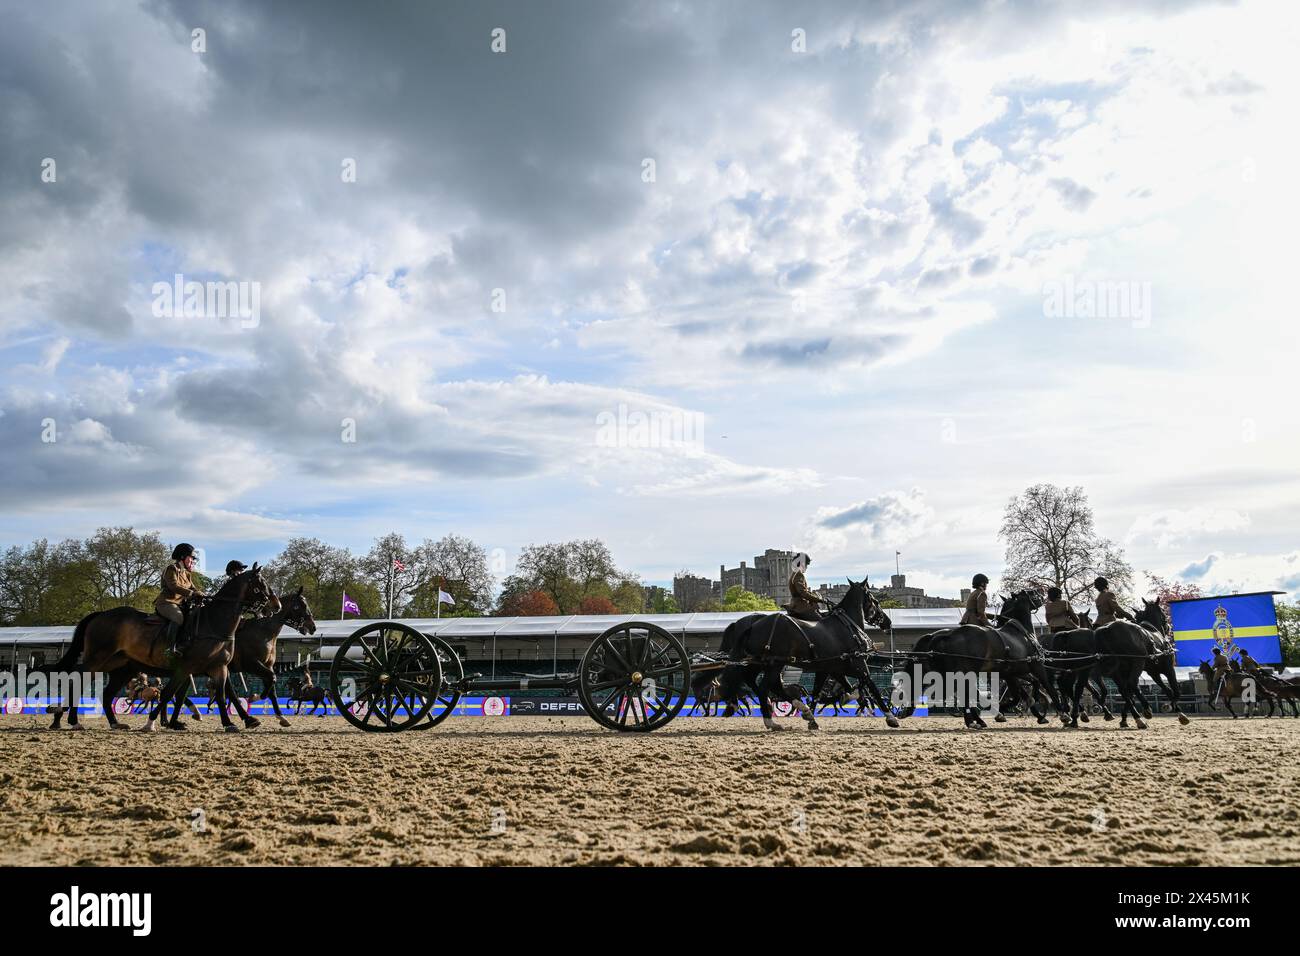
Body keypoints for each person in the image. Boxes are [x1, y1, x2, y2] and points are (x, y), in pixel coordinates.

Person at [155, 543, 206, 651]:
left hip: (181, 604)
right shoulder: (171, 569)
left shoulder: (186, 574)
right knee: (178, 617)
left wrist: (201, 593)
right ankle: (169, 648)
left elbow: (193, 588)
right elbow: (173, 586)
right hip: (166, 603)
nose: (192, 561)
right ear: (183, 557)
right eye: (191, 558)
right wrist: (192, 594)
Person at [786, 553, 824, 622]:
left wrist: (815, 596)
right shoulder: (799, 574)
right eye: (806, 565)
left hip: (796, 604)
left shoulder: (794, 573)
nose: (806, 567)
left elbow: (803, 591)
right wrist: (820, 600)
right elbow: (803, 593)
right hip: (800, 606)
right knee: (821, 623)